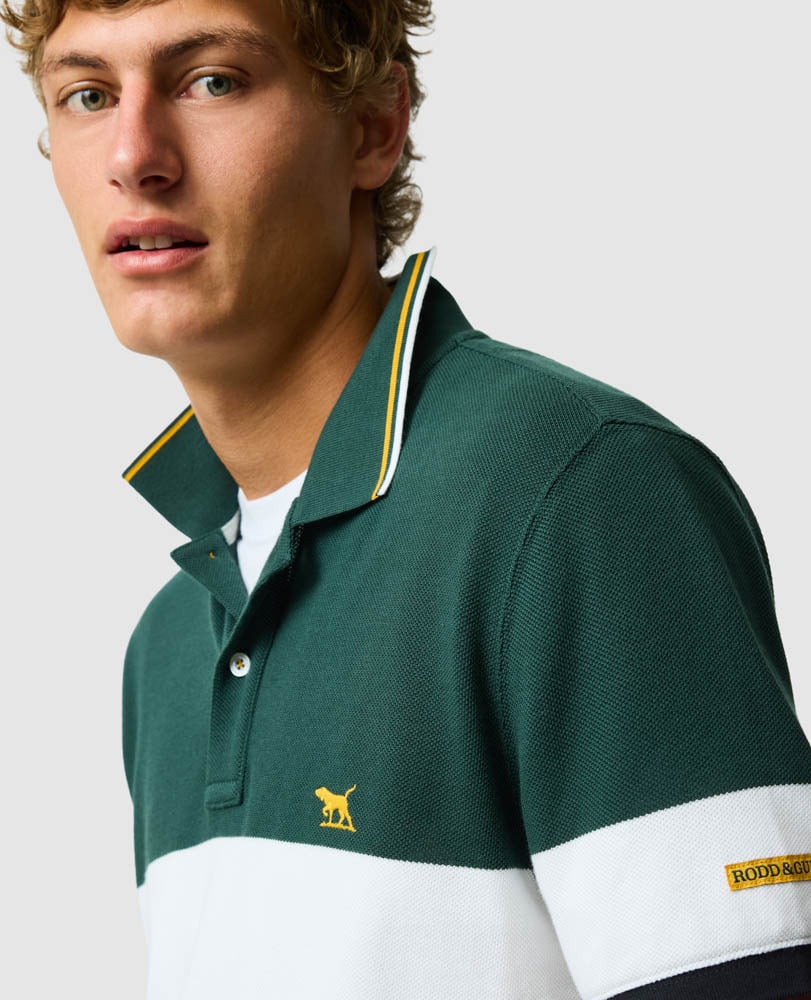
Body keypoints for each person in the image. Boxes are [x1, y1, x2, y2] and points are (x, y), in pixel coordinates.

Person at [3, 0, 810, 997]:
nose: (135, 157)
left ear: (374, 125)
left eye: (212, 81)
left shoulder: (576, 497)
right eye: (87, 95)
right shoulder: (170, 643)